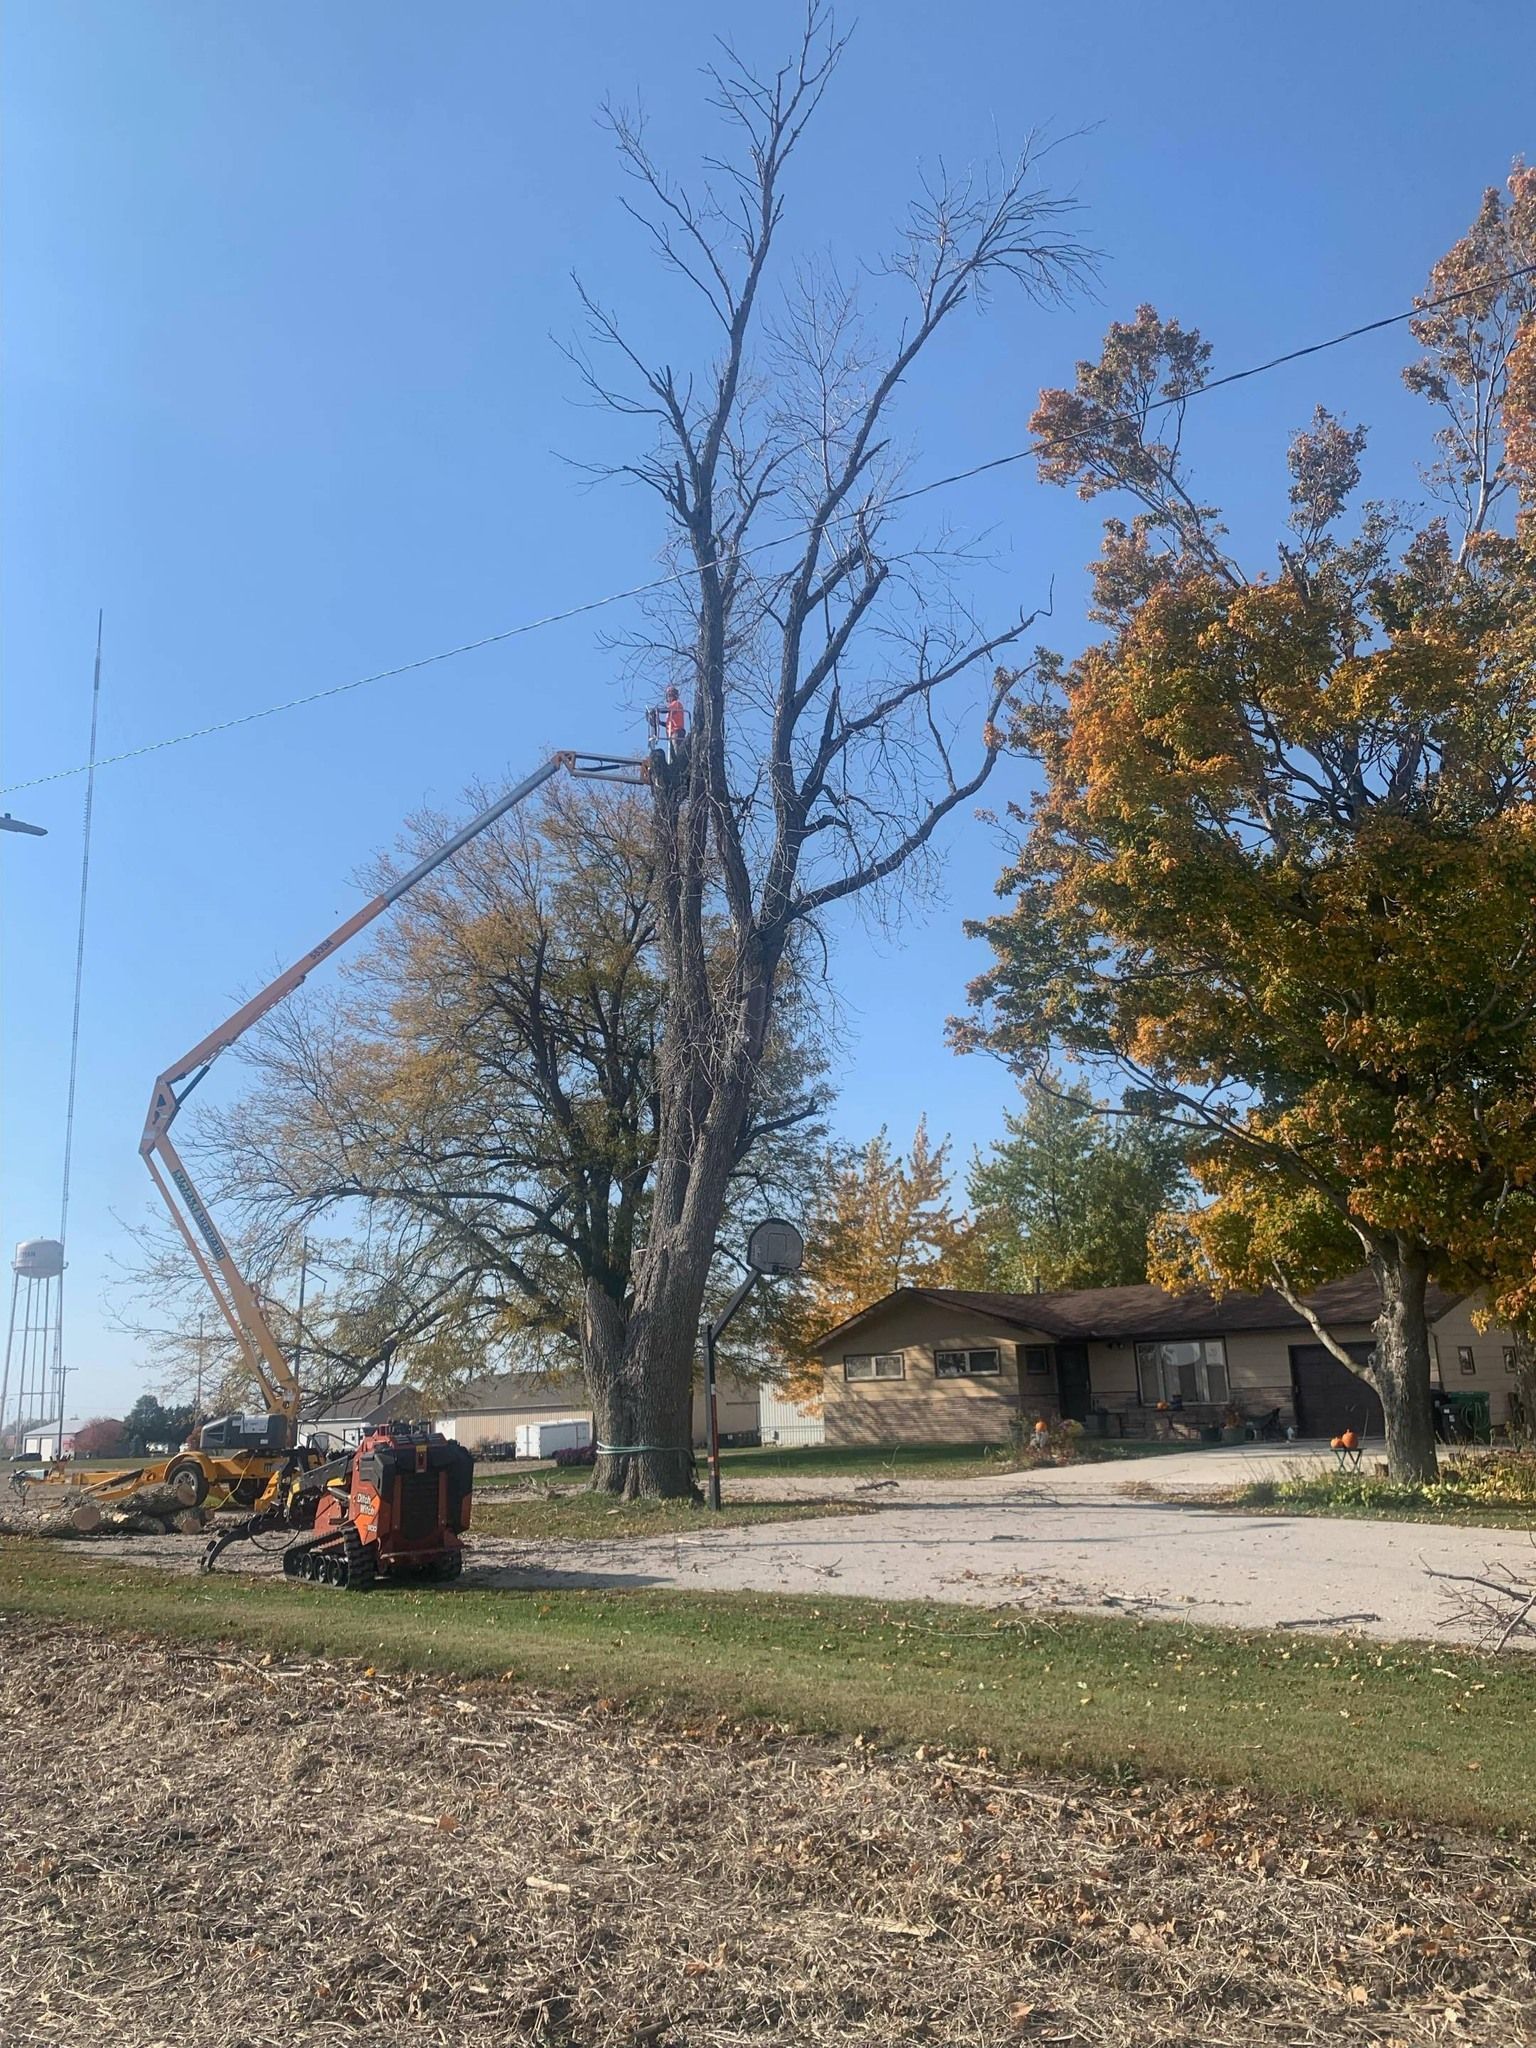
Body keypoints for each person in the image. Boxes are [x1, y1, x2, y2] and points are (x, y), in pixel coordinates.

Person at [649, 685, 687, 759]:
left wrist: (657, 710)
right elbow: (668, 724)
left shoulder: (676, 704)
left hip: (677, 732)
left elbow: (666, 709)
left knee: (677, 752)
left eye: (670, 695)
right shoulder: (671, 710)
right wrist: (659, 722)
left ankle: (679, 763)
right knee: (672, 755)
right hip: (671, 733)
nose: (669, 697)